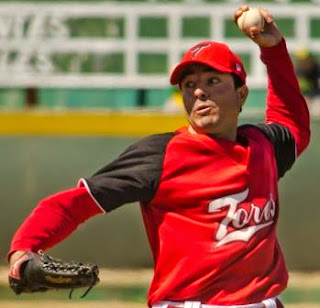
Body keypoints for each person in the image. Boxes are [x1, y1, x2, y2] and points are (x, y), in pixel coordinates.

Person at [8, 5, 310, 308]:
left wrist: (273, 50)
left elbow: (293, 124)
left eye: (212, 81)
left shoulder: (263, 146)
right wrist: (25, 248)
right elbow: (76, 202)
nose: (199, 93)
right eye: (189, 86)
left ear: (241, 94)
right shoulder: (161, 156)